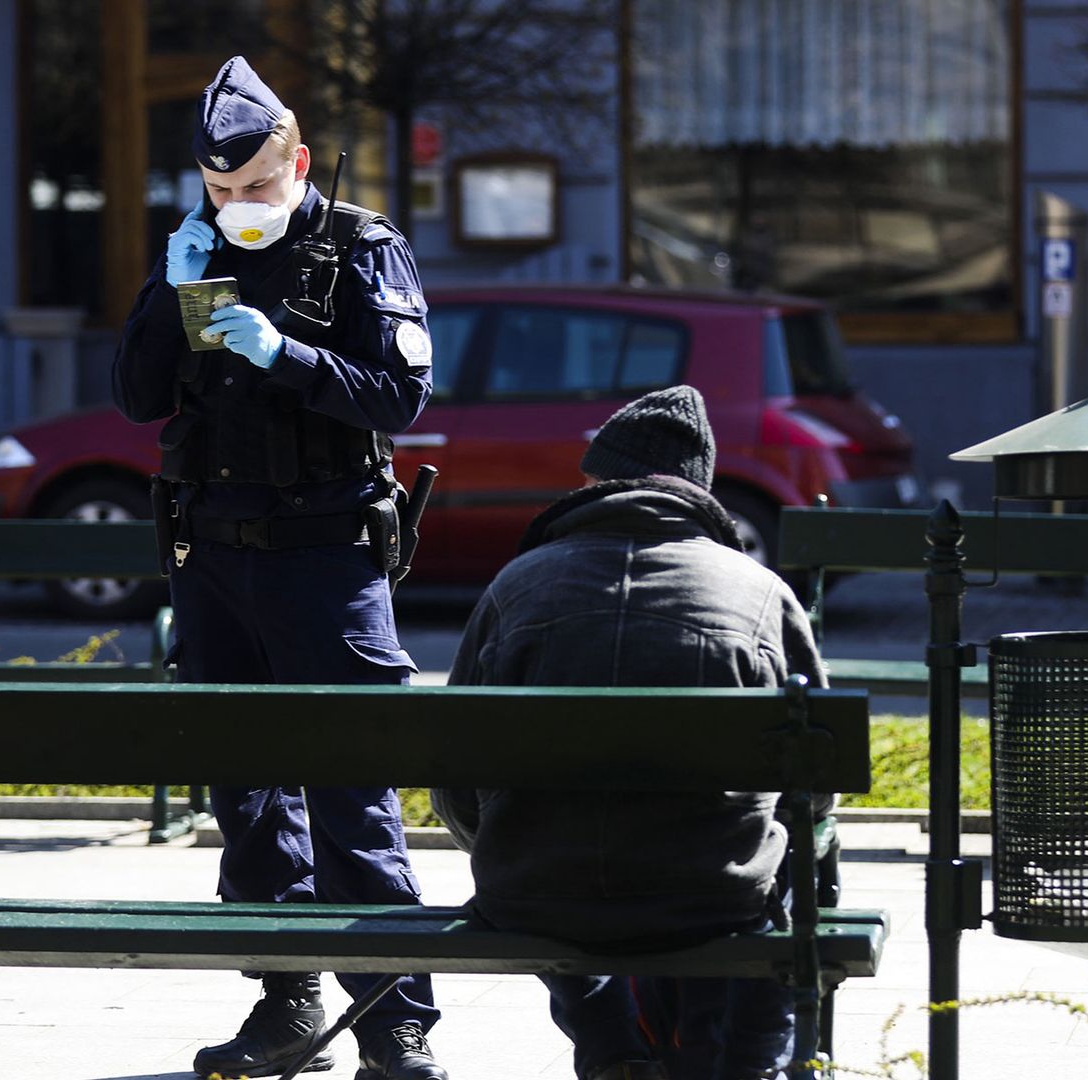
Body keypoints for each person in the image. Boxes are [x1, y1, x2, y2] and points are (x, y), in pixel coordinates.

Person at [110, 57, 443, 1080]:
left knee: (352, 789)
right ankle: (286, 1000)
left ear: (296, 162)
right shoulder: (199, 253)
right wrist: (170, 299)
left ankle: (392, 1021)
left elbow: (397, 400)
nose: (237, 206)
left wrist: (282, 354)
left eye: (255, 186)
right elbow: (136, 400)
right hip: (211, 556)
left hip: (323, 555)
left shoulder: (358, 246)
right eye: (218, 191)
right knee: (247, 795)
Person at [431, 386, 827, 1080]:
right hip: (710, 893)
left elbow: (455, 781)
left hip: (537, 890)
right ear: (699, 489)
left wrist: (511, 844)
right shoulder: (760, 592)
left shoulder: (516, 586)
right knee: (791, 861)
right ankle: (742, 1064)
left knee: (561, 876)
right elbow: (816, 781)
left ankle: (613, 1046)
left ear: (592, 484)